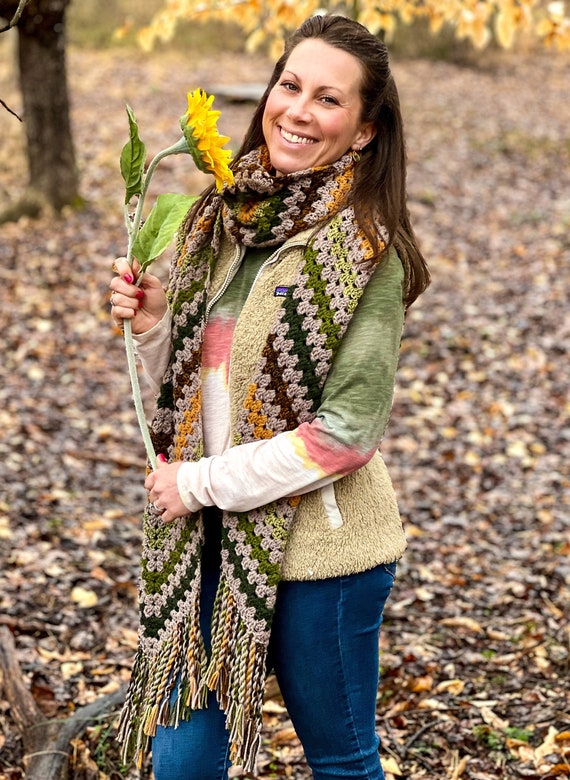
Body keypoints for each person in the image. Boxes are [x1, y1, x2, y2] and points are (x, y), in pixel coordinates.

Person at [109, 13, 429, 780]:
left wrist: (196, 484)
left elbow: (345, 435)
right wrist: (153, 324)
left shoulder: (368, 251)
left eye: (328, 99)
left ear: (363, 131)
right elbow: (185, 394)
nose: (298, 110)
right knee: (181, 763)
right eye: (290, 86)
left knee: (343, 761)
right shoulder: (216, 217)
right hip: (204, 547)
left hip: (323, 554)